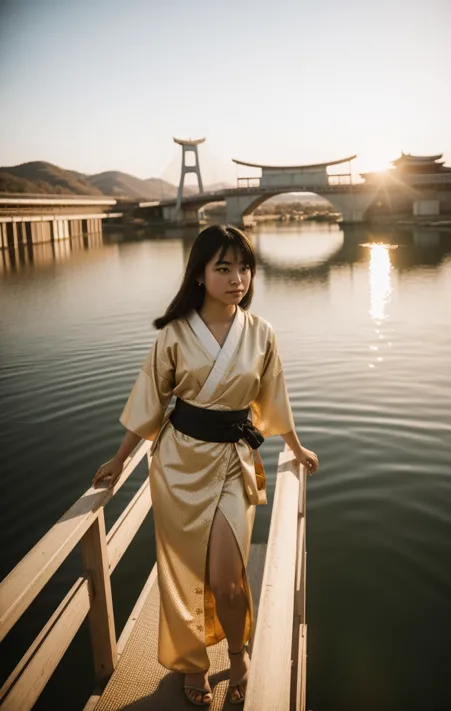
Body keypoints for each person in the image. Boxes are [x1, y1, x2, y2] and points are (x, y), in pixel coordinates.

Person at [92, 224, 318, 706]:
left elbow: (274, 397)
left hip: (233, 462)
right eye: (224, 268)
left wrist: (295, 448)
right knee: (185, 571)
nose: (238, 278)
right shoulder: (174, 334)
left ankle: (237, 655)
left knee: (227, 580)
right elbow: (150, 401)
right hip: (178, 465)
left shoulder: (262, 334)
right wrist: (119, 458)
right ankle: (192, 661)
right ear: (199, 275)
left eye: (244, 267)